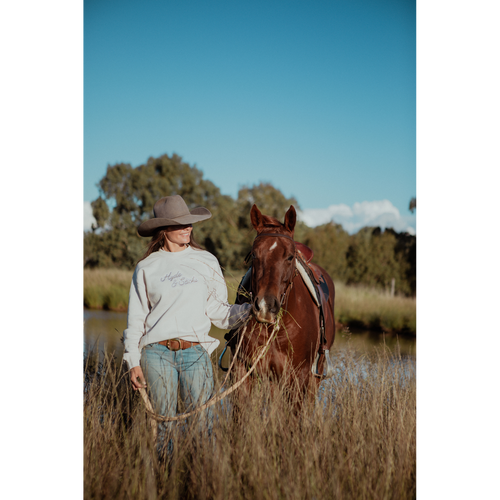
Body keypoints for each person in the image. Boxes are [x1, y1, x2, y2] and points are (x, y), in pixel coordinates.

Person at [122, 194, 251, 455]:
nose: (187, 228)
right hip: (155, 354)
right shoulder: (147, 267)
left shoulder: (206, 261)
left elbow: (218, 311)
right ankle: (165, 483)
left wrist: (251, 311)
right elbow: (136, 319)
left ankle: (203, 483)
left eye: (189, 223)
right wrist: (132, 361)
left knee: (205, 427)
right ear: (163, 229)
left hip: (195, 353)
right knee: (163, 427)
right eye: (180, 224)